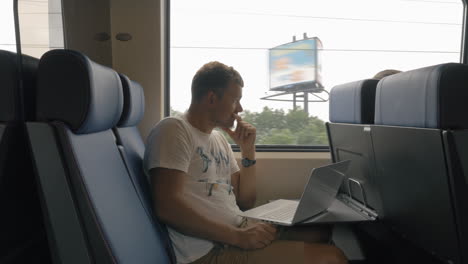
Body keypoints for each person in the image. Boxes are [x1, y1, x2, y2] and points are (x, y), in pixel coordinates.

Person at [143, 61, 348, 264]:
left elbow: (245, 200)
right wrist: (238, 237)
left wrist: (248, 150)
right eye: (235, 100)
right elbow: (168, 207)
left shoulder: (218, 139)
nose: (239, 108)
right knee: (332, 258)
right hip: (210, 250)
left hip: (238, 228)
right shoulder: (173, 130)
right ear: (212, 98)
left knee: (322, 232)